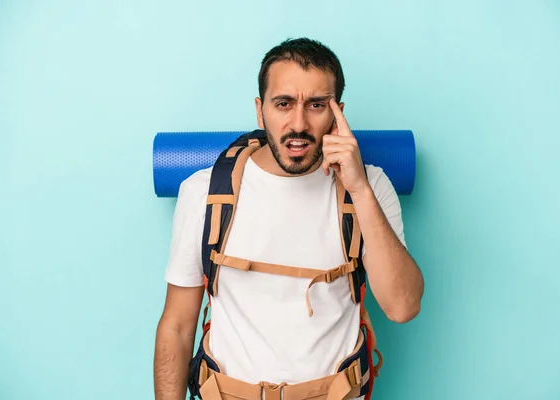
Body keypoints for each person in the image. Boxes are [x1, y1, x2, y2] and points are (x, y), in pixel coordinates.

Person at [153, 37, 424, 400]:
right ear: (260, 110)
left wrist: (358, 188)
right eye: (283, 104)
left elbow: (402, 306)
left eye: (316, 105)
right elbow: (178, 326)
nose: (298, 124)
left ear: (338, 112)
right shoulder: (204, 191)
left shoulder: (370, 185)